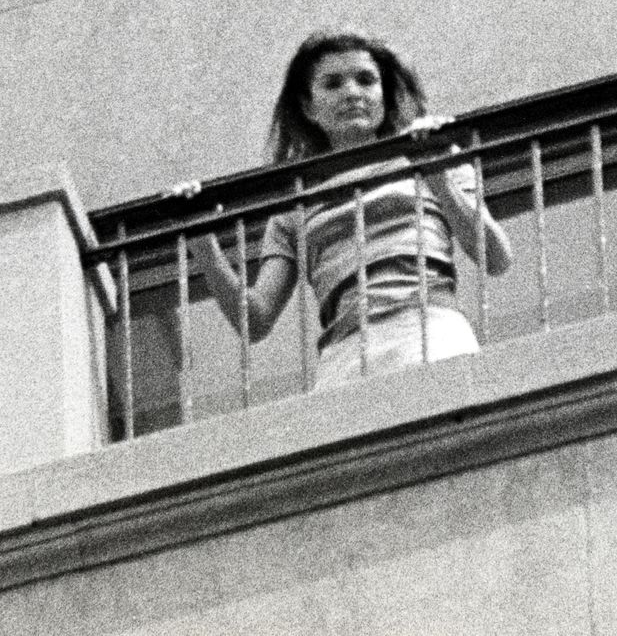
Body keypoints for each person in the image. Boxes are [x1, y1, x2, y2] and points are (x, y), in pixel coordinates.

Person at [183, 30, 512, 389]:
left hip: (431, 329)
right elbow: (255, 320)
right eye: (333, 84)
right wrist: (201, 239)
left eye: (366, 80)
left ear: (384, 96)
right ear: (308, 106)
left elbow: (496, 257)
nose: (352, 92)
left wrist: (436, 173)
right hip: (345, 355)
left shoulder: (434, 155)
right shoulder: (296, 200)